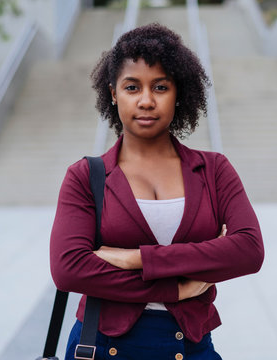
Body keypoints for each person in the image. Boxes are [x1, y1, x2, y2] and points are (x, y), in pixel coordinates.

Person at [50, 23, 264, 360]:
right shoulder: (85, 176)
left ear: (178, 93)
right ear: (113, 93)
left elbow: (249, 251)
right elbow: (68, 269)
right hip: (104, 348)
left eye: (160, 87)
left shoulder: (214, 170)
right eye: (132, 87)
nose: (146, 101)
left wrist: (138, 258)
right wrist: (175, 288)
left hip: (191, 347)